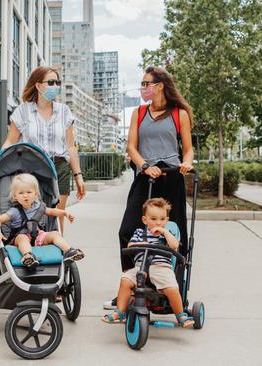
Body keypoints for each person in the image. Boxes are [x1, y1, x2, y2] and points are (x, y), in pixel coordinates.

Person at [106, 66, 194, 310]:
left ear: (160, 85)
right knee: (127, 231)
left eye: (146, 83)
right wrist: (144, 165)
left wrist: (187, 162)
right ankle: (132, 284)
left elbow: (187, 149)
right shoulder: (139, 112)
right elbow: (131, 147)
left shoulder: (179, 114)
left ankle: (173, 290)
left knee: (175, 234)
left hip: (172, 175)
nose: (143, 88)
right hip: (146, 176)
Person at [2, 66, 86, 233]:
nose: (56, 86)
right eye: (51, 82)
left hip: (59, 167)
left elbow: (70, 146)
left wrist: (78, 176)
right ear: (39, 85)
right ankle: (32, 251)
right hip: (31, 169)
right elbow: (10, 142)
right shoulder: (23, 111)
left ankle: (58, 254)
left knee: (56, 215)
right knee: (35, 214)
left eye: (58, 82)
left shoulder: (64, 111)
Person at [102, 198, 194, 328]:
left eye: (162, 219)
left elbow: (174, 246)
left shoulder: (167, 234)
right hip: (141, 267)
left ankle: (181, 315)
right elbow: (130, 245)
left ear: (167, 220)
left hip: (161, 267)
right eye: (154, 219)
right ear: (145, 220)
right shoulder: (140, 233)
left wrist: (165, 232)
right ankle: (120, 312)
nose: (158, 222)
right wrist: (142, 244)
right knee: (125, 280)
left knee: (172, 288)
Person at [0, 173, 85, 269]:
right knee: (22, 238)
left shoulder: (39, 207)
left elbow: (52, 211)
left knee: (54, 234)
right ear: (15, 196)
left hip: (39, 237)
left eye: (29, 192)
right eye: (21, 193)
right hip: (20, 238)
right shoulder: (14, 212)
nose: (25, 196)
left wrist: (64, 213)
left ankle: (68, 251)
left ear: (35, 194)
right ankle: (28, 256)